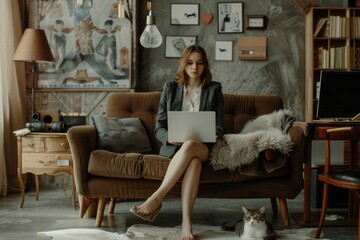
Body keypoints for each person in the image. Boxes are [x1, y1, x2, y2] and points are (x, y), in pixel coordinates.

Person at [130, 45, 225, 240]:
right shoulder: (170, 88)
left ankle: (156, 198)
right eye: (190, 62)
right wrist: (169, 137)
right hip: (175, 149)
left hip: (202, 147)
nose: (194, 67)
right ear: (183, 64)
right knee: (194, 163)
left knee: (191, 145)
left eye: (199, 63)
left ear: (205, 65)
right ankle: (186, 225)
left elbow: (220, 125)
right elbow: (159, 127)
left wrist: (214, 133)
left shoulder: (214, 89)